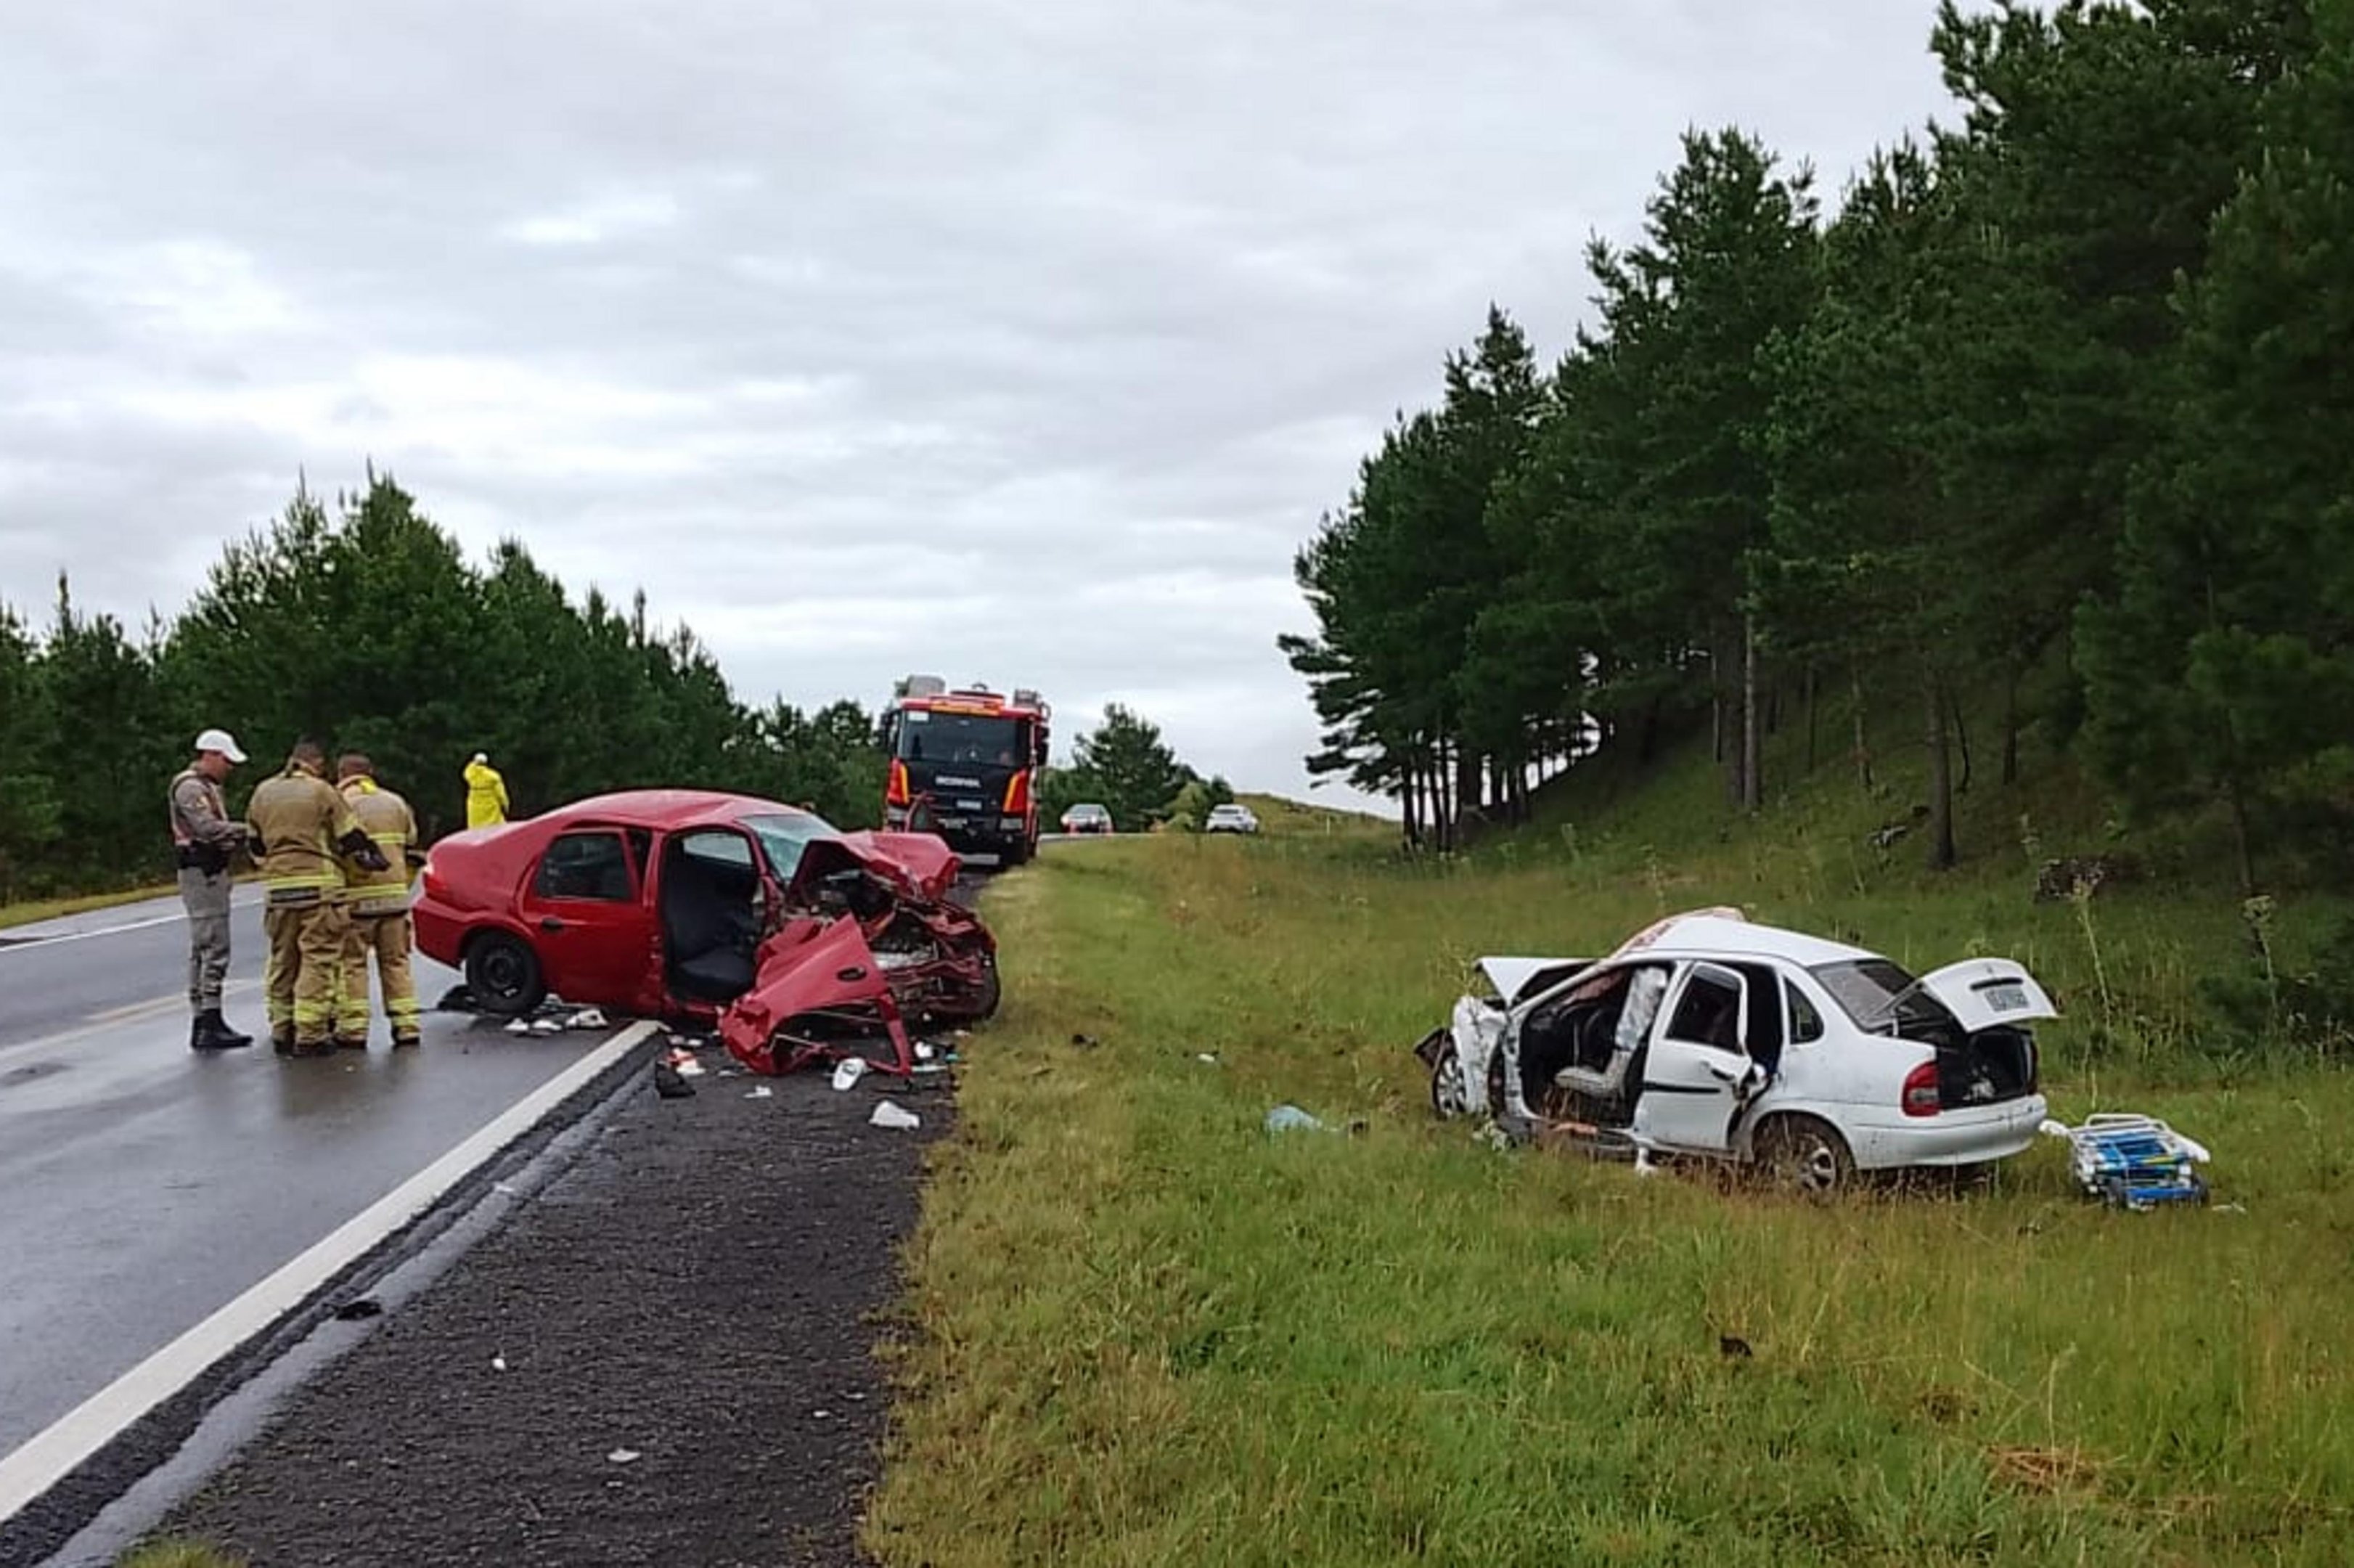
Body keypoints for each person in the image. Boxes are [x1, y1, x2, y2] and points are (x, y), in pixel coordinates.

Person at [246, 740, 388, 1058]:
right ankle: (310, 1034)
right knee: (317, 959)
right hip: (319, 889)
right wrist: (370, 856)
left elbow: (255, 845)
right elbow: (350, 836)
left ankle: (282, 1028)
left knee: (283, 959)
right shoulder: (322, 791)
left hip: (279, 891)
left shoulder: (262, 792)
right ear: (317, 763)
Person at [170, 728, 256, 1052]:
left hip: (212, 870)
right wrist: (250, 830)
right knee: (212, 944)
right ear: (210, 755)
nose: (230, 768)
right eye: (226, 760)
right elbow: (206, 828)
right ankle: (208, 1020)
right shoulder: (191, 787)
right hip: (201, 872)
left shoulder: (207, 787)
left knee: (206, 945)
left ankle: (209, 1018)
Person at [331, 753, 425, 1049]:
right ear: (370, 773)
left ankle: (354, 1029)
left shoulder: (338, 803)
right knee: (396, 963)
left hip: (356, 899)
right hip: (394, 898)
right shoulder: (395, 802)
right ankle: (406, 1025)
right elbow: (410, 839)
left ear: (341, 774)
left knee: (353, 965)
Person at [464, 751, 509, 829]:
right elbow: (501, 794)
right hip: (490, 804)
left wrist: (474, 763)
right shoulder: (493, 776)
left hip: (474, 803)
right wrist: (505, 805)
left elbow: (469, 768)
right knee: (495, 825)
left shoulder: (470, 774)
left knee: (476, 825)